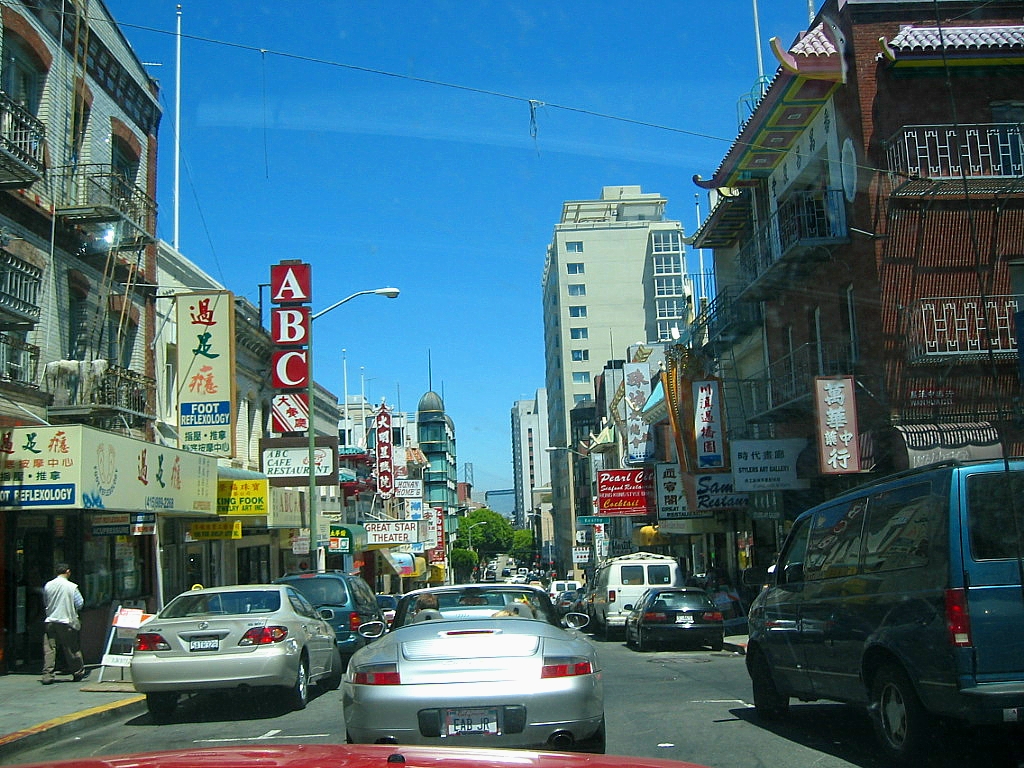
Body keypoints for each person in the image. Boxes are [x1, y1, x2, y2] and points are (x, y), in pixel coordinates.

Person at [41, 563, 86, 685]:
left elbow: (45, 601)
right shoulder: (71, 587)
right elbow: (80, 603)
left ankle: (47, 675)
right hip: (66, 621)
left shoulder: (48, 585)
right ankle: (78, 672)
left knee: (49, 649)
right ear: (68, 572)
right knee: (71, 648)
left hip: (50, 620)